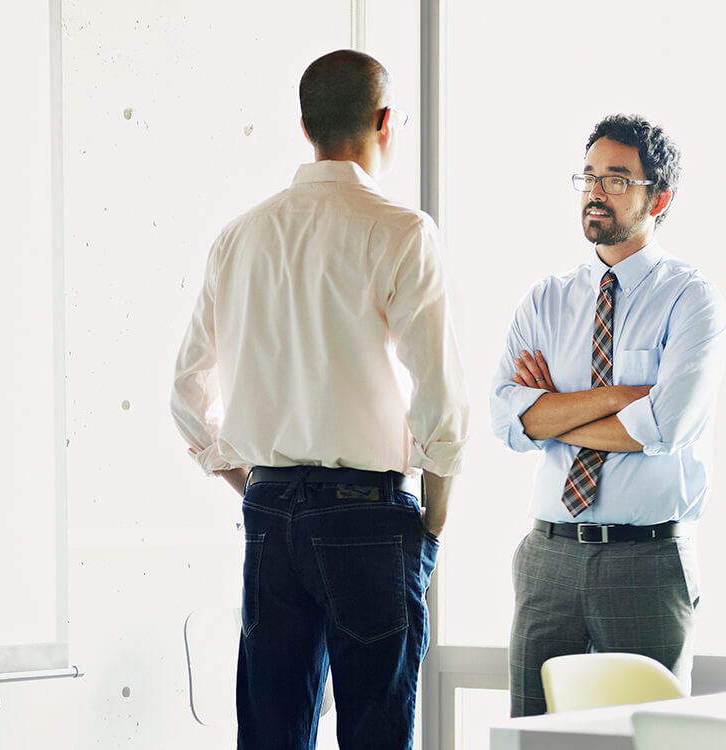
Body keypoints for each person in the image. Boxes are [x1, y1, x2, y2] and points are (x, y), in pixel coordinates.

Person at [170, 49, 469, 749]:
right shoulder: (400, 230)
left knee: (272, 732)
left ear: (304, 126)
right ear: (385, 121)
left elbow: (187, 393)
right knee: (374, 731)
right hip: (368, 517)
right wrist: (433, 523)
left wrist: (252, 483)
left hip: (271, 514)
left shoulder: (239, 236)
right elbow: (441, 400)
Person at [490, 114, 726, 717]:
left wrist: (551, 414)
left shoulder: (690, 298)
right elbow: (504, 421)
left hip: (647, 561)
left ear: (660, 197)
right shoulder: (545, 299)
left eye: (618, 179)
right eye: (589, 176)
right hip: (549, 560)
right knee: (533, 734)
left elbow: (665, 426)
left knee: (648, 736)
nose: (596, 191)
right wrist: (622, 396)